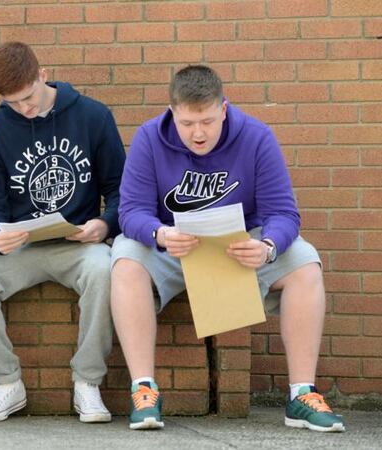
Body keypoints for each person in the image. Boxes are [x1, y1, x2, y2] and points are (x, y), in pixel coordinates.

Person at [111, 65, 345, 432]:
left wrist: (267, 246)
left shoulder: (256, 137)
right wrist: (159, 234)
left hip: (237, 250)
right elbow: (131, 212)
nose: (198, 133)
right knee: (124, 257)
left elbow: (282, 212)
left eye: (207, 120)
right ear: (173, 112)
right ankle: (144, 390)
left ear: (223, 108)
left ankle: (302, 393)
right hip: (175, 249)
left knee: (304, 261)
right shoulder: (149, 138)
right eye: (187, 123)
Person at [0, 41, 125, 424]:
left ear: (42, 75)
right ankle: (7, 382)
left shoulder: (93, 117)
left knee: (106, 269)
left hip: (77, 243)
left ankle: (87, 383)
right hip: (20, 248)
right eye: (13, 103)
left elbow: (119, 191)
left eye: (28, 97)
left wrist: (104, 223)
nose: (25, 109)